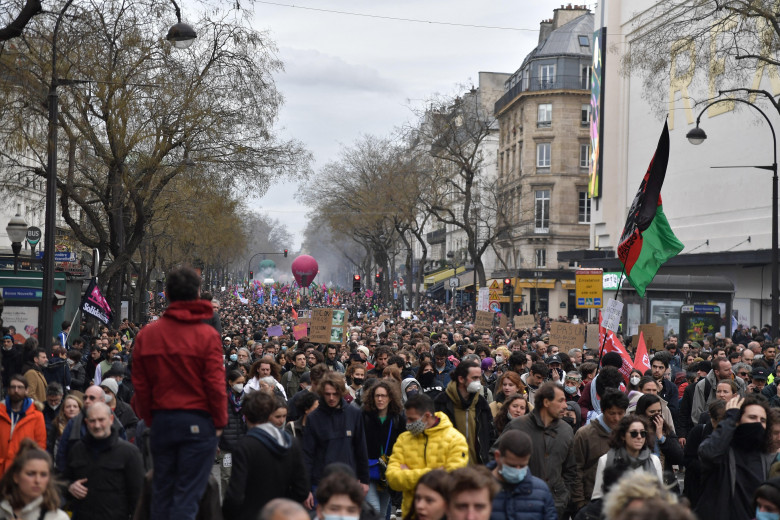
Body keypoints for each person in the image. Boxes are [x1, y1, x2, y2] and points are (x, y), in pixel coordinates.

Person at [132, 266, 227, 520]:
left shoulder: (147, 334)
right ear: (197, 293)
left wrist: (151, 418)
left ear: (166, 294)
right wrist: (219, 422)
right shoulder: (207, 335)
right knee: (187, 495)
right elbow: (216, 384)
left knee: (162, 492)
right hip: (197, 422)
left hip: (162, 421)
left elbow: (140, 385)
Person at [222, 392, 308, 520]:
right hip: (282, 514)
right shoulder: (292, 443)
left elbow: (235, 494)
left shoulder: (245, 446)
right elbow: (302, 490)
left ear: (245, 416)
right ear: (269, 414)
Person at [500, 382, 578, 518]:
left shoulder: (566, 431)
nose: (565, 406)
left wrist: (563, 497)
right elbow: (496, 461)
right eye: (560, 401)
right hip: (520, 507)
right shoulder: (517, 426)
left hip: (555, 508)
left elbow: (570, 470)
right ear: (546, 402)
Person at [386, 394, 468, 517]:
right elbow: (393, 479)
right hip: (411, 514)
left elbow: (452, 479)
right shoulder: (404, 439)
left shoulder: (455, 439)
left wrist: (409, 474)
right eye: (407, 419)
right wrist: (436, 472)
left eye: (412, 419)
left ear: (427, 416)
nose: (408, 424)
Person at [696, 394, 776, 520]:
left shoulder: (766, 456)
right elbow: (709, 453)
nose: (758, 424)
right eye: (752, 417)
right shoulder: (723, 451)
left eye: (762, 420)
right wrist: (729, 419)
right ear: (738, 420)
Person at [63, 402, 144, 520]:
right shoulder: (77, 450)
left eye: (101, 420)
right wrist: (69, 487)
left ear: (111, 419)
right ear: (86, 422)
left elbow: (138, 498)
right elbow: (62, 481)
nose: (97, 425)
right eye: (92, 421)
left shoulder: (129, 453)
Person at [303, 371, 369, 499]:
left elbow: (361, 447)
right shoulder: (313, 418)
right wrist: (307, 489)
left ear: (341, 393)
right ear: (322, 393)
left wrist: (364, 479)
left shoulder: (354, 414)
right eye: (328, 394)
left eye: (335, 394)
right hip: (321, 481)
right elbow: (307, 454)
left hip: (349, 480)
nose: (331, 398)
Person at [572, 389, 629, 505]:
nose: (617, 418)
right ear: (603, 410)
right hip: (592, 502)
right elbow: (575, 470)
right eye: (612, 413)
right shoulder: (585, 435)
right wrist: (580, 503)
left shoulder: (630, 433)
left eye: (620, 413)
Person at [434, 359, 495, 464]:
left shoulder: (481, 403)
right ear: (461, 379)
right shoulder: (442, 402)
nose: (478, 382)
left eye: (479, 378)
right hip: (450, 467)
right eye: (474, 378)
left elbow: (490, 435)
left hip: (477, 468)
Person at [590, 414, 663, 501]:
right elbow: (597, 497)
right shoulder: (605, 460)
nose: (639, 437)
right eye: (634, 433)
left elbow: (660, 496)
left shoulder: (654, 461)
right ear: (623, 436)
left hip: (647, 512)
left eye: (643, 433)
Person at [489, 430, 557, 520]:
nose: (517, 470)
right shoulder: (479, 488)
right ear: (498, 456)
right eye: (512, 465)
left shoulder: (541, 491)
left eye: (522, 466)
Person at [362, 380, 405, 518]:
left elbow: (404, 443)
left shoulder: (398, 418)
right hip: (368, 469)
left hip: (388, 470)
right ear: (372, 397)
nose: (380, 399)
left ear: (390, 398)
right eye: (377, 395)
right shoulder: (364, 416)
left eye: (384, 395)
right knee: (374, 509)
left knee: (382, 512)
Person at [0, 438, 69, 520]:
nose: (37, 480)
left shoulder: (57, 517)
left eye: (43, 475)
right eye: (30, 474)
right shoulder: (2, 510)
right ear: (16, 477)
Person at [0, 375, 46, 475]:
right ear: (8, 390)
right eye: (13, 387)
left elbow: (40, 445)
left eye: (20, 387)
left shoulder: (36, 415)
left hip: (24, 469)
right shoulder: (1, 412)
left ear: (26, 390)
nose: (16, 390)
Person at [216, 370, 247, 498]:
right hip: (226, 446)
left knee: (242, 475)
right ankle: (228, 504)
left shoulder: (247, 399)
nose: (241, 385)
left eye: (243, 383)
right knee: (226, 477)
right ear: (230, 382)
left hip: (242, 444)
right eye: (238, 382)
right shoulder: (222, 400)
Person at [691, 356, 745, 423]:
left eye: (730, 369)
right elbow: (697, 414)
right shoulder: (703, 385)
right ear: (717, 372)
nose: (731, 372)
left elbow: (743, 408)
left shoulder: (739, 382)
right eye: (726, 370)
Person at [46, 394, 82, 459]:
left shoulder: (85, 425)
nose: (71, 409)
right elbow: (50, 446)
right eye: (68, 406)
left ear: (79, 409)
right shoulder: (56, 425)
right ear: (63, 410)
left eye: (75, 406)